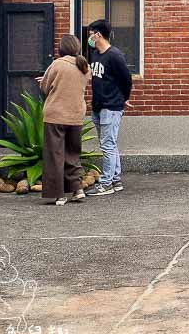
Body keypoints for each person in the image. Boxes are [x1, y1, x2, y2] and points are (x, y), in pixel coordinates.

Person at [38, 35, 92, 205]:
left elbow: (45, 87)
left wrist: (44, 82)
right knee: (72, 154)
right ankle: (77, 189)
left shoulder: (57, 64)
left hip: (55, 116)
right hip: (75, 116)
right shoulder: (85, 67)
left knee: (54, 155)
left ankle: (59, 194)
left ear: (61, 49)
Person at [84, 19, 132, 196]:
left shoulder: (115, 55)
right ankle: (115, 180)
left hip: (111, 107)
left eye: (91, 34)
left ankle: (106, 184)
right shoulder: (95, 54)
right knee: (109, 145)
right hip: (98, 106)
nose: (89, 37)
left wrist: (123, 98)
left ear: (98, 34)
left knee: (107, 146)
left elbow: (126, 80)